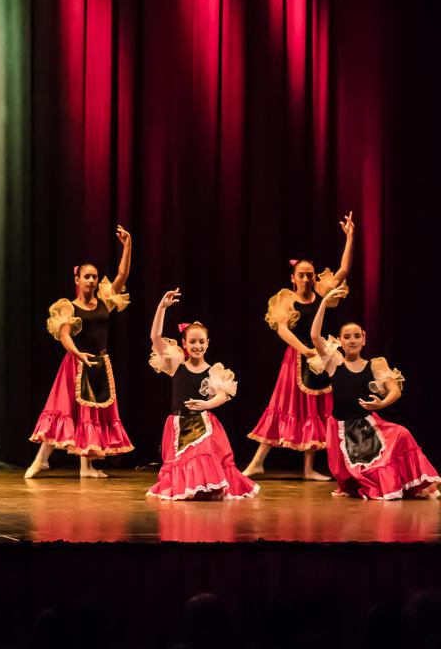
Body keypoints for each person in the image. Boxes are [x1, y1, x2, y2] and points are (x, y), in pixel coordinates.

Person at [243, 212, 355, 480]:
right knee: (283, 407)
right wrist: (304, 350)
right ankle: (258, 461)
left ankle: (308, 468)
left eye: (310, 275)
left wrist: (350, 237)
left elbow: (343, 271)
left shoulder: (321, 294)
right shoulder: (287, 299)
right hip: (295, 359)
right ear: (293, 278)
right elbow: (281, 328)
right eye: (301, 275)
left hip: (319, 357)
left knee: (315, 409)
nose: (306, 279)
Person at [309, 286, 439, 499]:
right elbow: (315, 336)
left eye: (356, 336)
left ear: (364, 338)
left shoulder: (375, 365)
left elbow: (395, 390)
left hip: (368, 426)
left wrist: (381, 404)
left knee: (402, 433)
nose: (352, 340)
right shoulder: (335, 363)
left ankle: (405, 481)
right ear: (340, 341)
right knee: (358, 478)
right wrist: (324, 303)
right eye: (347, 336)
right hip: (342, 429)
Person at [26, 226, 135, 478]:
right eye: (87, 277)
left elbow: (122, 274)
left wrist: (127, 245)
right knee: (64, 412)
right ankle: (40, 460)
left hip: (99, 363)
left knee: (92, 416)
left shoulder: (105, 301)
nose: (91, 280)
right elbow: (64, 335)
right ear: (77, 280)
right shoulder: (69, 308)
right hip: (76, 364)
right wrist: (78, 355)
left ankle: (87, 466)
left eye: (94, 277)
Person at [146, 289, 258, 500]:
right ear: (184, 344)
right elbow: (155, 337)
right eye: (193, 342)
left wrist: (206, 405)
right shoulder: (175, 364)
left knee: (202, 454)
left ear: (207, 343)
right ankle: (191, 486)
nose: (197, 346)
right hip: (178, 423)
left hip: (203, 424)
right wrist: (161, 308)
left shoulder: (213, 370)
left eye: (201, 342)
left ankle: (207, 486)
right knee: (182, 461)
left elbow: (223, 395)